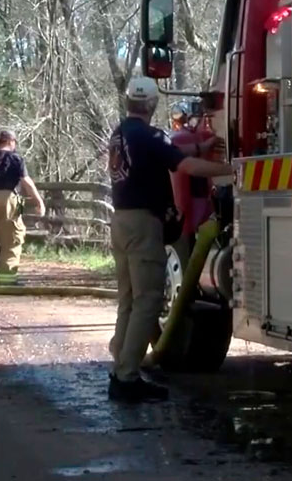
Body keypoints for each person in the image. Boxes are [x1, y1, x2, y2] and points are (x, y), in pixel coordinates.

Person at [106, 76, 233, 402]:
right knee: (148, 301)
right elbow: (184, 165)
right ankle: (127, 378)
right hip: (144, 224)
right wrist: (229, 170)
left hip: (120, 221)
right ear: (151, 104)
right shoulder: (149, 135)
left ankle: (119, 364)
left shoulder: (120, 134)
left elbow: (167, 151)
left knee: (129, 299)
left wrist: (199, 147)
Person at [0, 130, 46, 286]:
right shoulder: (16, 159)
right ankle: (7, 279)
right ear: (11, 142)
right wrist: (38, 201)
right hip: (10, 199)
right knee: (11, 240)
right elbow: (26, 182)